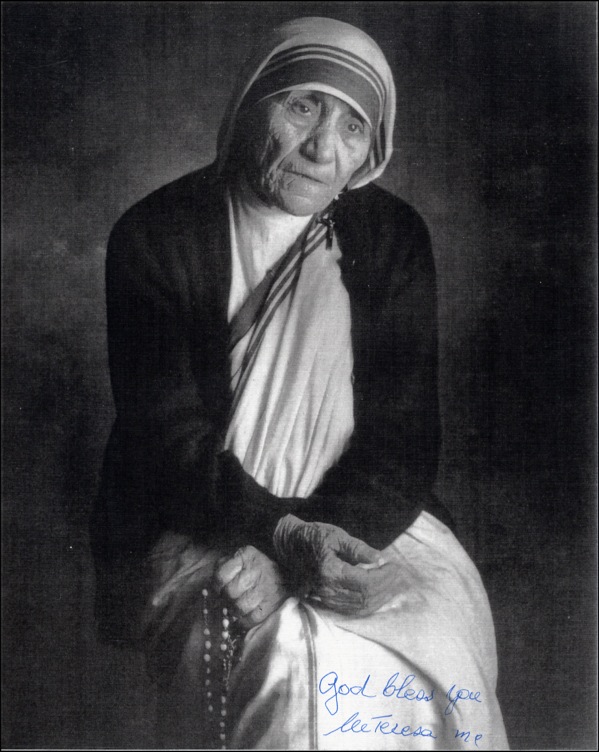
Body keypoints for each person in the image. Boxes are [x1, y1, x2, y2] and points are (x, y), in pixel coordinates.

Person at [90, 16, 509, 750]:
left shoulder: (392, 238)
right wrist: (280, 535)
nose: (322, 146)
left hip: (368, 520)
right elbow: (167, 436)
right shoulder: (155, 235)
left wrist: (317, 544)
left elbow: (403, 437)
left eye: (353, 126)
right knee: (286, 672)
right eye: (303, 106)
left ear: (370, 151)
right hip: (204, 515)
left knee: (439, 658)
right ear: (252, 102)